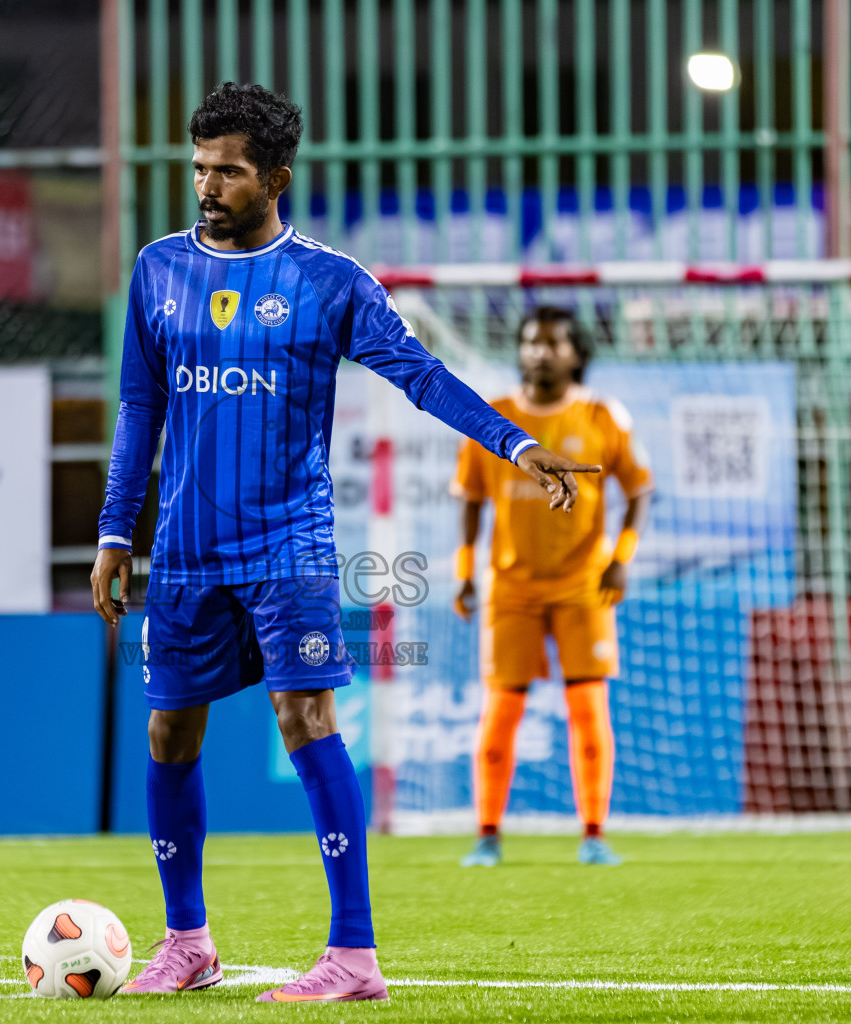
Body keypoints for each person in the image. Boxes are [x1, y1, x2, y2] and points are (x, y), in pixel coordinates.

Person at [90, 82, 599, 1004]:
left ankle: (353, 957)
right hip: (187, 550)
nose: (207, 186)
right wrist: (116, 528)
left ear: (276, 177)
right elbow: (138, 406)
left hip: (290, 546)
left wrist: (518, 446)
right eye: (199, 168)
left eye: (228, 171)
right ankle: (187, 942)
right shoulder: (158, 268)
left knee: (306, 719)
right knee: (169, 728)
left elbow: (420, 375)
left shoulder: (330, 281)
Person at [453, 307, 653, 868]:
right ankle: (487, 835)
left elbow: (639, 490)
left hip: (582, 584)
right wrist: (464, 572)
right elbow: (470, 500)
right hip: (510, 588)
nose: (539, 353)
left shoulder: (601, 416)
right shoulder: (493, 416)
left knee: (588, 706)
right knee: (501, 710)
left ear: (576, 354)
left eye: (553, 343)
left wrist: (622, 557)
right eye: (530, 342)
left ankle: (594, 834)